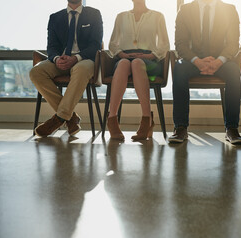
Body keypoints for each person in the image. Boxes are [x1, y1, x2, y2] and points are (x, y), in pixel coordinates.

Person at [169, 0, 241, 144]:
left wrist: (218, 62)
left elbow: (233, 43)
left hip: (220, 61)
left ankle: (232, 129)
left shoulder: (229, 10)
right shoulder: (185, 10)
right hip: (193, 60)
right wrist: (198, 61)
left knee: (234, 71)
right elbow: (180, 44)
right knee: (179, 68)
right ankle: (180, 128)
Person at [29, 0, 103, 137]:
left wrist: (76, 58)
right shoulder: (55, 17)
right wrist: (57, 59)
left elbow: (96, 45)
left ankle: (59, 118)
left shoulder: (94, 14)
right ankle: (71, 117)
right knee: (36, 71)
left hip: (85, 60)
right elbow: (51, 47)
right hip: (61, 60)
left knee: (80, 69)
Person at [107, 0, 170, 141]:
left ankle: (146, 119)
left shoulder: (157, 16)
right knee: (123, 63)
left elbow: (164, 44)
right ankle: (112, 119)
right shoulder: (121, 16)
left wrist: (151, 55)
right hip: (124, 56)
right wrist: (121, 53)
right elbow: (112, 43)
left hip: (149, 59)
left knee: (136, 63)